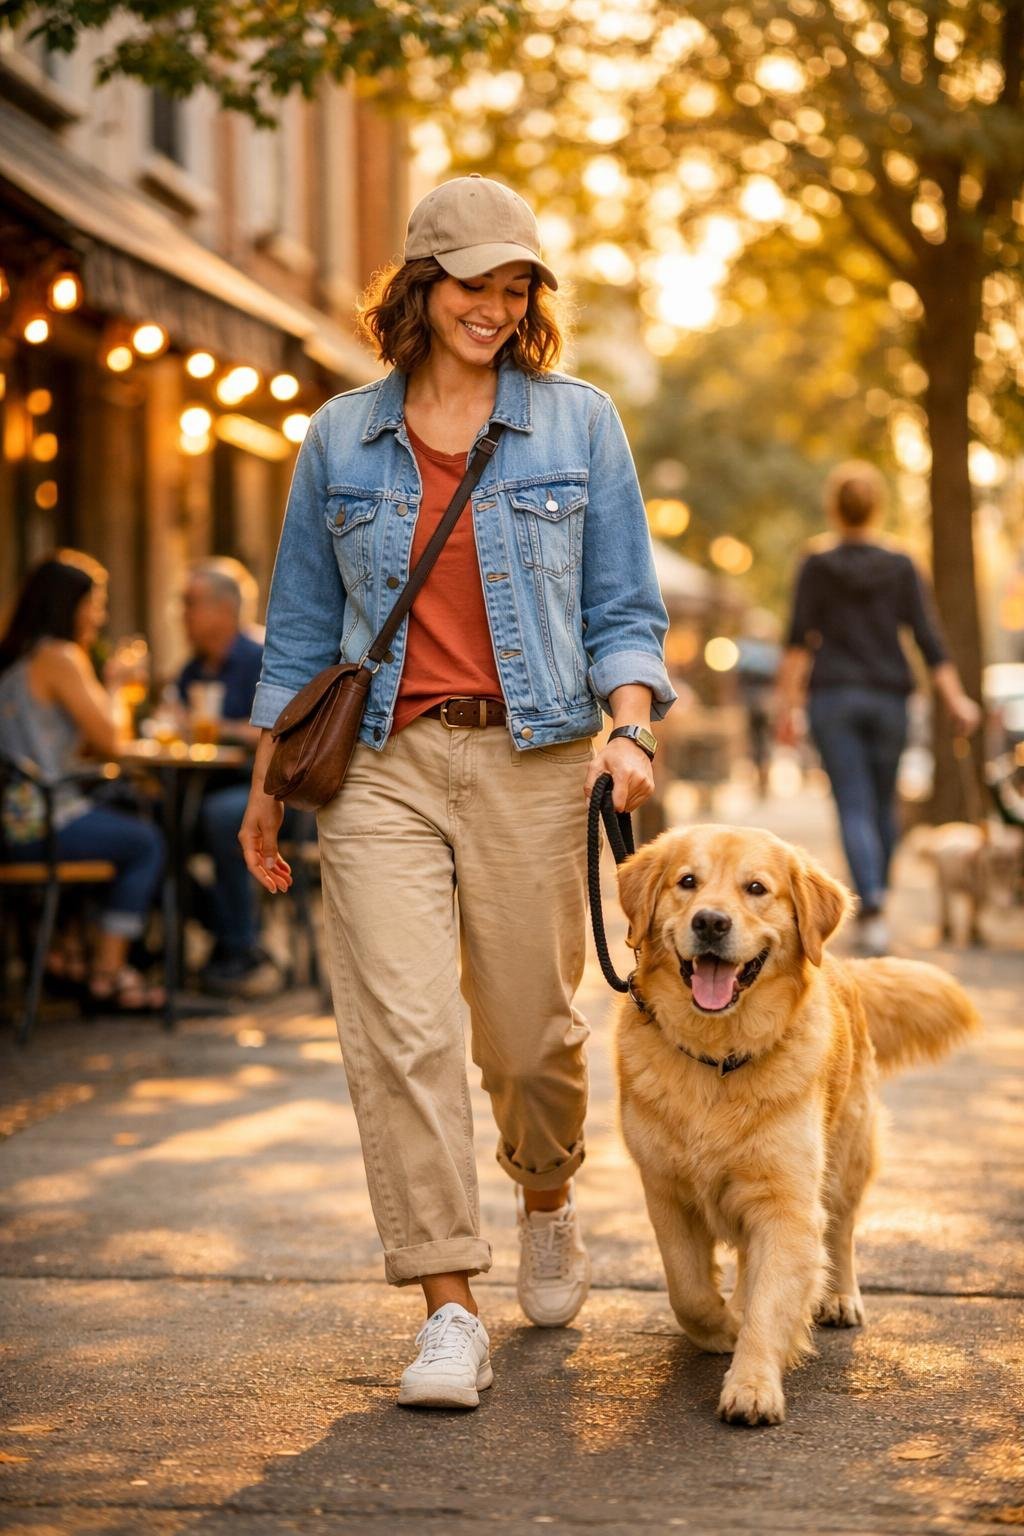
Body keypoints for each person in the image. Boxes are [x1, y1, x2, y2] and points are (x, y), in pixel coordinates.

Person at [239, 174, 675, 1409]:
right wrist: (268, 776)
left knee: (532, 1041)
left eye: (515, 284)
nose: (494, 305)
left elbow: (623, 609)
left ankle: (545, 1194)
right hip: (379, 766)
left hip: (535, 759)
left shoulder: (577, 424)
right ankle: (446, 1308)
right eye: (472, 282)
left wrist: (629, 728)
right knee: (404, 1036)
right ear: (420, 285)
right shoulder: (339, 435)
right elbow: (302, 632)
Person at [776, 461, 980, 955]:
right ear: (877, 507)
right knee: (883, 802)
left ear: (834, 508)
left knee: (853, 801)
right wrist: (957, 699)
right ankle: (877, 899)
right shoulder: (901, 564)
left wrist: (787, 707)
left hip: (834, 697)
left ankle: (870, 909)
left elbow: (798, 642)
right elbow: (929, 640)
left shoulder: (817, 563)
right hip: (890, 697)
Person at [0, 550, 165, 1010]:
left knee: (120, 821)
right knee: (145, 841)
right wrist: (116, 684)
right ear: (68, 605)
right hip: (43, 824)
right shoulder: (60, 657)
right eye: (95, 603)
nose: (100, 615)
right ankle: (108, 975)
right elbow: (112, 740)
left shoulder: (18, 658)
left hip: (15, 823)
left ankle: (66, 954)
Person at [175, 559, 271, 991]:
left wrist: (224, 729)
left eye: (190, 604)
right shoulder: (192, 671)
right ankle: (220, 931)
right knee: (155, 822)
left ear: (223, 609)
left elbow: (287, 725)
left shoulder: (261, 658)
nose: (183, 616)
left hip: (271, 789)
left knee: (220, 817)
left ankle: (241, 948)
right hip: (204, 783)